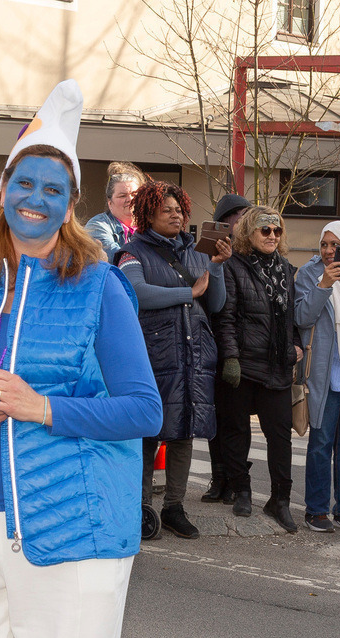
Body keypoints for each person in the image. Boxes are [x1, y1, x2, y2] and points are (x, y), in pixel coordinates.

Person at [0, 80, 162, 638]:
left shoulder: (99, 285)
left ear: (70, 203)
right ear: (4, 190)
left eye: (54, 189)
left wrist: (41, 408)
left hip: (71, 528)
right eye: (24, 183)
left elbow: (144, 410)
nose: (36, 198)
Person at [116, 180, 231, 539]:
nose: (175, 215)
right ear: (148, 214)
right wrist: (187, 291)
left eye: (179, 209)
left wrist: (219, 267)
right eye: (166, 209)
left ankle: (175, 507)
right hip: (152, 354)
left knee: (184, 433)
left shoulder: (198, 254)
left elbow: (216, 303)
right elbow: (134, 293)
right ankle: (140, 507)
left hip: (193, 354)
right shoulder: (131, 252)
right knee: (148, 432)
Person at [213, 207, 301, 532]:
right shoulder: (234, 267)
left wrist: (297, 345)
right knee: (236, 431)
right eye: (265, 230)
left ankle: (280, 500)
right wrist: (231, 358)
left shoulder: (286, 270)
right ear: (249, 232)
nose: (272, 236)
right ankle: (242, 490)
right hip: (244, 364)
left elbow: (290, 319)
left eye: (277, 231)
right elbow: (226, 317)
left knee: (281, 437)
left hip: (277, 367)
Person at [295, 221, 340, 533]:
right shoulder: (310, 274)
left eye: (334, 245)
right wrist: (324, 284)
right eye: (324, 244)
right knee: (321, 443)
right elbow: (301, 317)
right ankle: (316, 510)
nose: (328, 251)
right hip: (324, 374)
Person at [202, 191, 253, 504]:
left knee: (237, 420)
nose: (242, 222)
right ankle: (219, 477)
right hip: (212, 344)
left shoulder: (251, 254)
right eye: (238, 217)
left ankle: (236, 479)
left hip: (239, 348)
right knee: (215, 419)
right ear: (224, 223)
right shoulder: (209, 253)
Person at [85, 161, 145, 262]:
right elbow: (118, 258)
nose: (130, 199)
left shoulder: (150, 226)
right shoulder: (97, 226)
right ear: (110, 203)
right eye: (122, 195)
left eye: (134, 194)